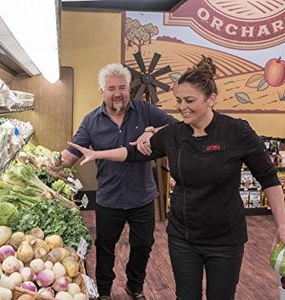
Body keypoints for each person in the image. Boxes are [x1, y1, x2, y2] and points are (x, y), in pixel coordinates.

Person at [68, 56, 285, 300]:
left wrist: (282, 224)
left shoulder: (236, 131)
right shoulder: (175, 134)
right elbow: (132, 153)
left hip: (225, 239)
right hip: (182, 237)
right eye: (179, 101)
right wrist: (98, 153)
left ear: (211, 98)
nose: (182, 107)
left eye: (190, 100)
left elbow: (269, 178)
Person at [52, 63, 176, 300]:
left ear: (129, 89)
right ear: (102, 91)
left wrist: (150, 131)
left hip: (142, 196)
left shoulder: (144, 111)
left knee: (143, 245)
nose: (117, 93)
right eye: (111, 88)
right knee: (105, 248)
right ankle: (105, 291)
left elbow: (174, 126)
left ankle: (135, 286)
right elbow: (73, 152)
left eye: (122, 87)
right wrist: (57, 162)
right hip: (109, 197)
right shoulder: (91, 121)